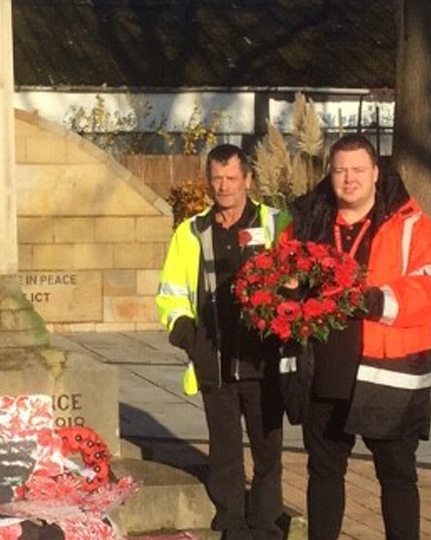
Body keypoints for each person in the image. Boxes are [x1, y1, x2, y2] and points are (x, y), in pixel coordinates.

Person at [285, 134, 431, 540]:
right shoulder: (308, 222)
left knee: (397, 475)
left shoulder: (411, 224)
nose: (349, 179)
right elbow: (280, 272)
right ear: (329, 174)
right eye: (340, 171)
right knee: (324, 472)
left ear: (375, 173)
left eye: (358, 170)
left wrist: (374, 301)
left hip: (388, 374)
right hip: (324, 373)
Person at [156, 144, 289, 540]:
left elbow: (297, 281)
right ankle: (232, 522)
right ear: (208, 180)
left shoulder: (277, 223)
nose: (224, 187)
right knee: (224, 451)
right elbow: (171, 293)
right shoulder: (191, 232)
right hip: (215, 359)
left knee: (269, 451)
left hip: (265, 361)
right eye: (217, 178)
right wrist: (189, 336)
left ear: (248, 179)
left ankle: (266, 524)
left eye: (232, 178)